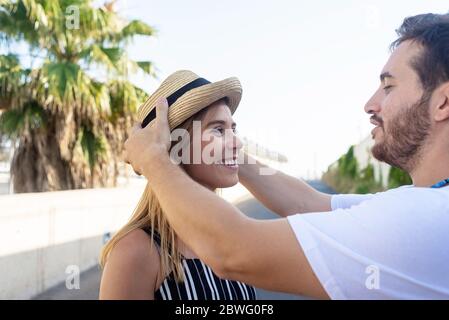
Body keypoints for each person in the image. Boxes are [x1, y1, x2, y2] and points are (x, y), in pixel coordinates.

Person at [123, 13, 449, 299]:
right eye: (220, 129)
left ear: (443, 102)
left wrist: (154, 159)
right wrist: (226, 153)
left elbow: (234, 250)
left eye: (388, 86)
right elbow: (305, 204)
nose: (370, 104)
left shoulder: (423, 218)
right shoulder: (135, 252)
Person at [99, 70, 257, 300]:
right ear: (177, 145)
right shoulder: (135, 252)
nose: (238, 142)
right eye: (218, 129)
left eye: (233, 128)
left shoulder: (234, 237)